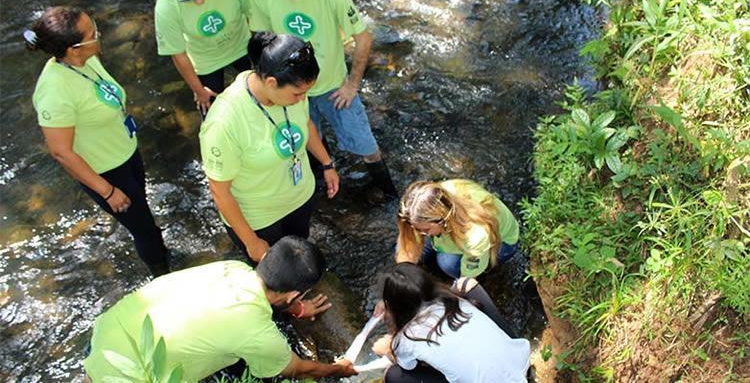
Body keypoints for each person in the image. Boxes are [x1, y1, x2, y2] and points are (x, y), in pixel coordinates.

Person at [83, 236, 358, 381]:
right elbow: (297, 369)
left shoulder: (232, 268)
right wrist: (338, 369)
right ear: (294, 293)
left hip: (108, 333)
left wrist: (296, 309)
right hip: (132, 375)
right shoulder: (258, 334)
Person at [25, 7, 169, 277]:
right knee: (144, 230)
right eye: (93, 33)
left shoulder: (85, 59)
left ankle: (159, 253)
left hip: (125, 152)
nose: (98, 35)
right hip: (106, 172)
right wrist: (108, 191)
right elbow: (61, 152)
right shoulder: (54, 92)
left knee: (143, 213)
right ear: (74, 48)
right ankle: (162, 274)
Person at [249, 0, 398, 198]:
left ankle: (391, 197)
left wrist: (351, 85)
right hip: (291, 92)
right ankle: (329, 188)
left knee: (367, 147)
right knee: (307, 145)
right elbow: (262, 40)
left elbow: (363, 38)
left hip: (334, 89)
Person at [199, 31, 339, 264]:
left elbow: (305, 124)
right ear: (271, 82)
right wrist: (251, 241)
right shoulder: (224, 122)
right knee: (277, 279)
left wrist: (327, 163)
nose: (303, 98)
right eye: (298, 93)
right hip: (260, 218)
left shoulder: (292, 94)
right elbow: (219, 191)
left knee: (299, 259)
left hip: (299, 197)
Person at [372, 263, 530, 383]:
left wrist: (388, 349)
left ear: (395, 306)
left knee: (393, 375)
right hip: (520, 363)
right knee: (467, 284)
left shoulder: (406, 339)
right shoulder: (451, 298)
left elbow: (408, 367)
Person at [154, 0, 253, 116]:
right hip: (205, 60)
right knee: (212, 112)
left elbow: (255, 16)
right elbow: (178, 54)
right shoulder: (166, 7)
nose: (198, 1)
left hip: (242, 45)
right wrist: (198, 90)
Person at [396, 179, 520, 279]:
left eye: (426, 230)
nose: (421, 234)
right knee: (410, 252)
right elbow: (407, 247)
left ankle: (487, 274)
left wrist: (454, 293)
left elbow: (468, 277)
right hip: (452, 229)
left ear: (443, 219)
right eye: (417, 228)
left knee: (447, 262)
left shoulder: (475, 234)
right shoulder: (435, 196)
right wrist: (392, 292)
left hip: (502, 244)